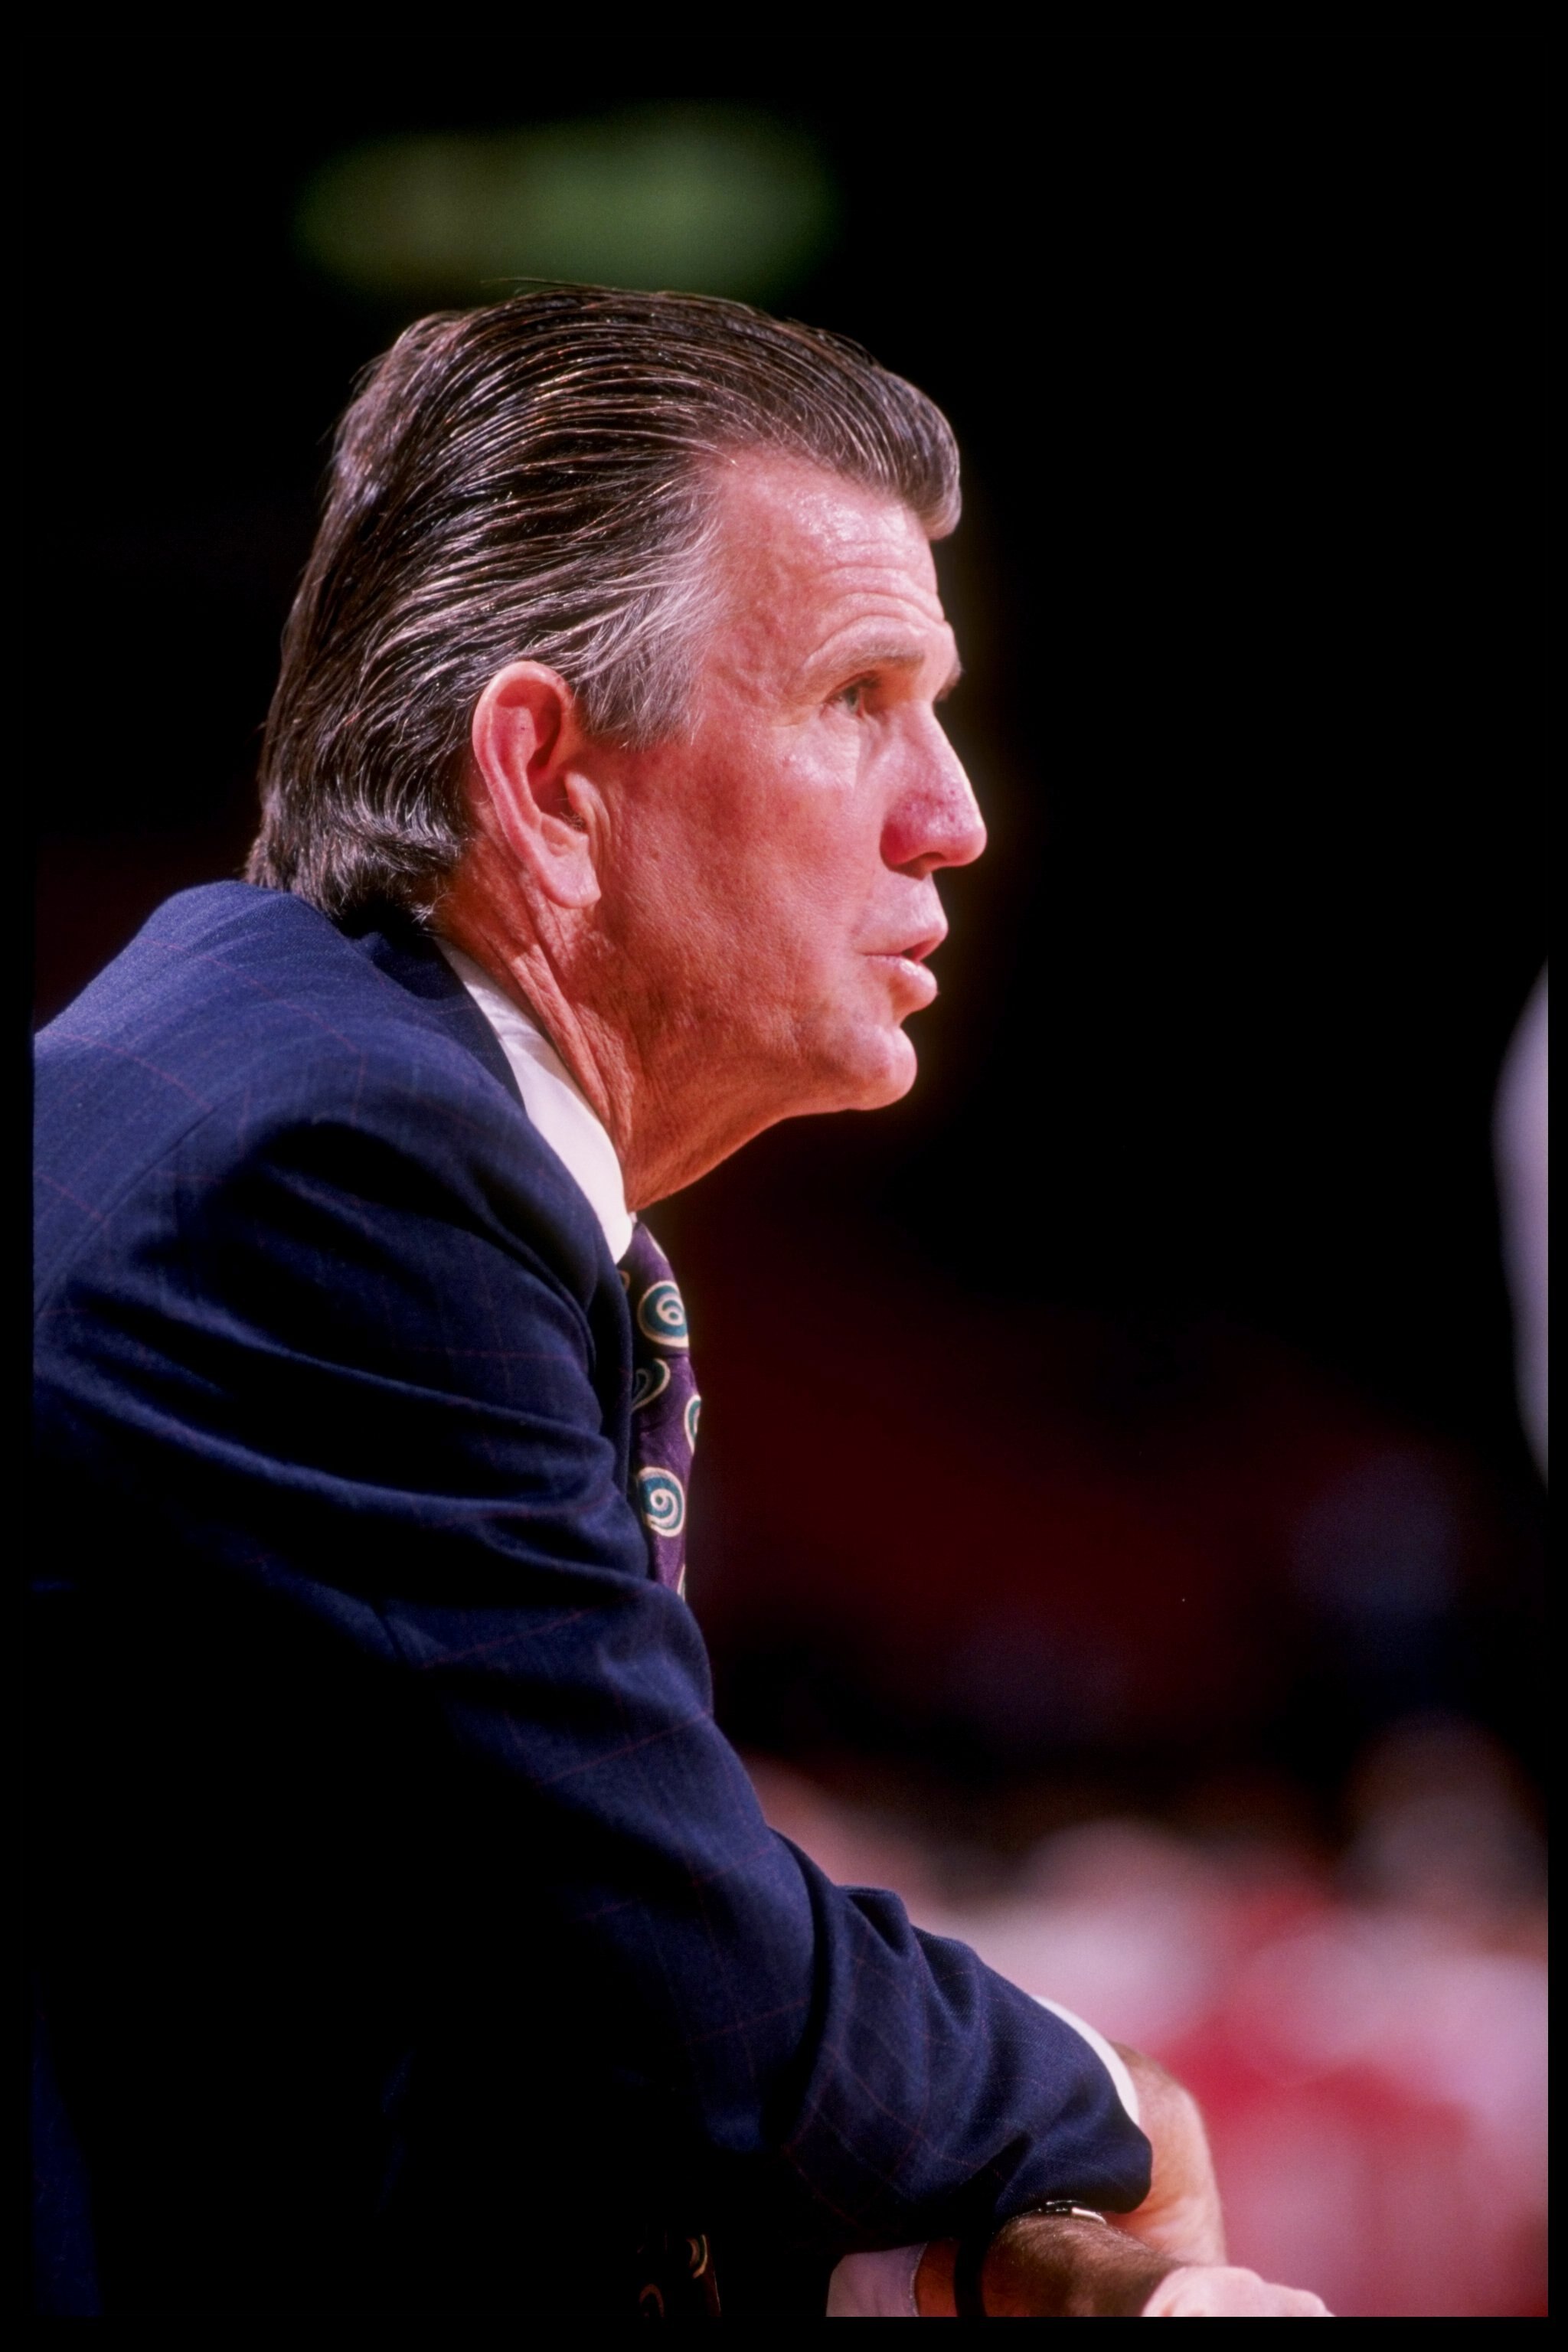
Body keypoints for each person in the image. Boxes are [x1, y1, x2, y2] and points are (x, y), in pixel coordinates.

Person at [31, 288, 1327, 2318]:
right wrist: (1104, 2113)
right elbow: (681, 1974)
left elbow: (508, 2000)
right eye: (858, 697)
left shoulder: (265, 1070)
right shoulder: (333, 1173)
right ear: (545, 776)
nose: (954, 813)